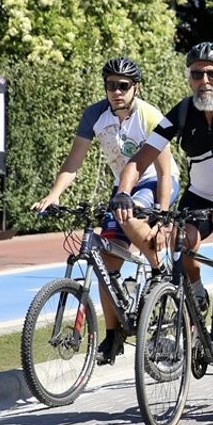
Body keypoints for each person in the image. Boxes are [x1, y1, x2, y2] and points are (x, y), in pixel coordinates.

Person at [116, 42, 213, 396]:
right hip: (199, 196)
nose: (205, 81)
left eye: (212, 74)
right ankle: (196, 294)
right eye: (197, 74)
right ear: (189, 79)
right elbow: (140, 158)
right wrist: (123, 191)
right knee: (181, 244)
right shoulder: (182, 112)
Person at [33, 57, 179, 365]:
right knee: (105, 262)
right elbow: (73, 162)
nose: (117, 92)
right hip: (122, 189)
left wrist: (164, 215)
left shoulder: (149, 115)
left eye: (123, 86)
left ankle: (158, 267)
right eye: (111, 86)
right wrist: (54, 195)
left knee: (132, 216)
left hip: (156, 182)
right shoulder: (94, 115)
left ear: (135, 88)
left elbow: (165, 172)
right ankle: (114, 336)